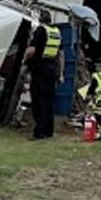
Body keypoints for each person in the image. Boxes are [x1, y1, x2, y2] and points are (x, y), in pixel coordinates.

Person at [24, 10, 63, 140]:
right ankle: (49, 131)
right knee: (48, 101)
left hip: (40, 69)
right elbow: (60, 55)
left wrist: (24, 60)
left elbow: (32, 50)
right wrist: (61, 73)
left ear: (40, 19)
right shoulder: (56, 32)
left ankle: (39, 132)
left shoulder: (40, 31)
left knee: (38, 100)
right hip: (51, 70)